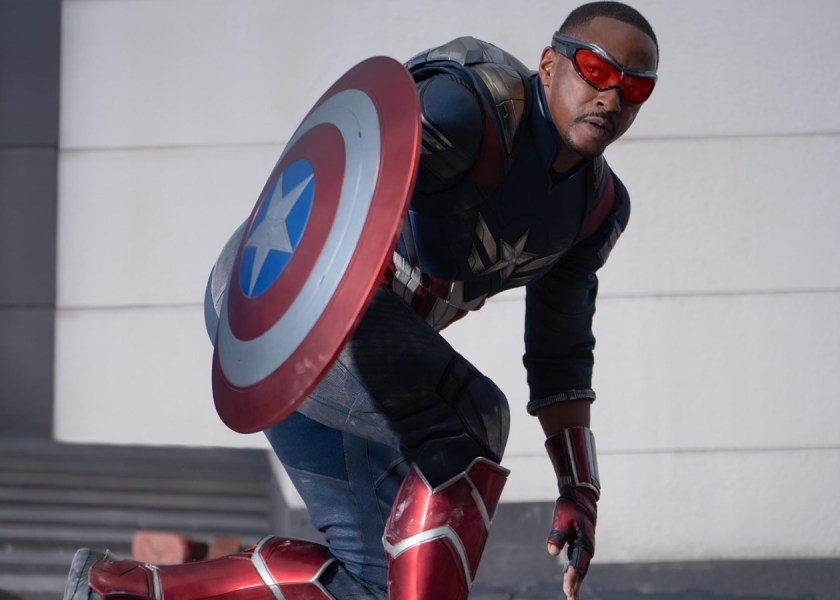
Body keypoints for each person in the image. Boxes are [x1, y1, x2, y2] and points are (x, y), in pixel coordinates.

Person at [64, 2, 658, 599]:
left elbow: (560, 355)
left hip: (338, 350)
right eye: (596, 71)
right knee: (472, 417)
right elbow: (343, 172)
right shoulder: (465, 107)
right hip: (288, 304)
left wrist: (579, 489)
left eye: (635, 87)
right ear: (550, 65)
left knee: (372, 579)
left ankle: (118, 591)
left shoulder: (595, 209)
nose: (612, 98)